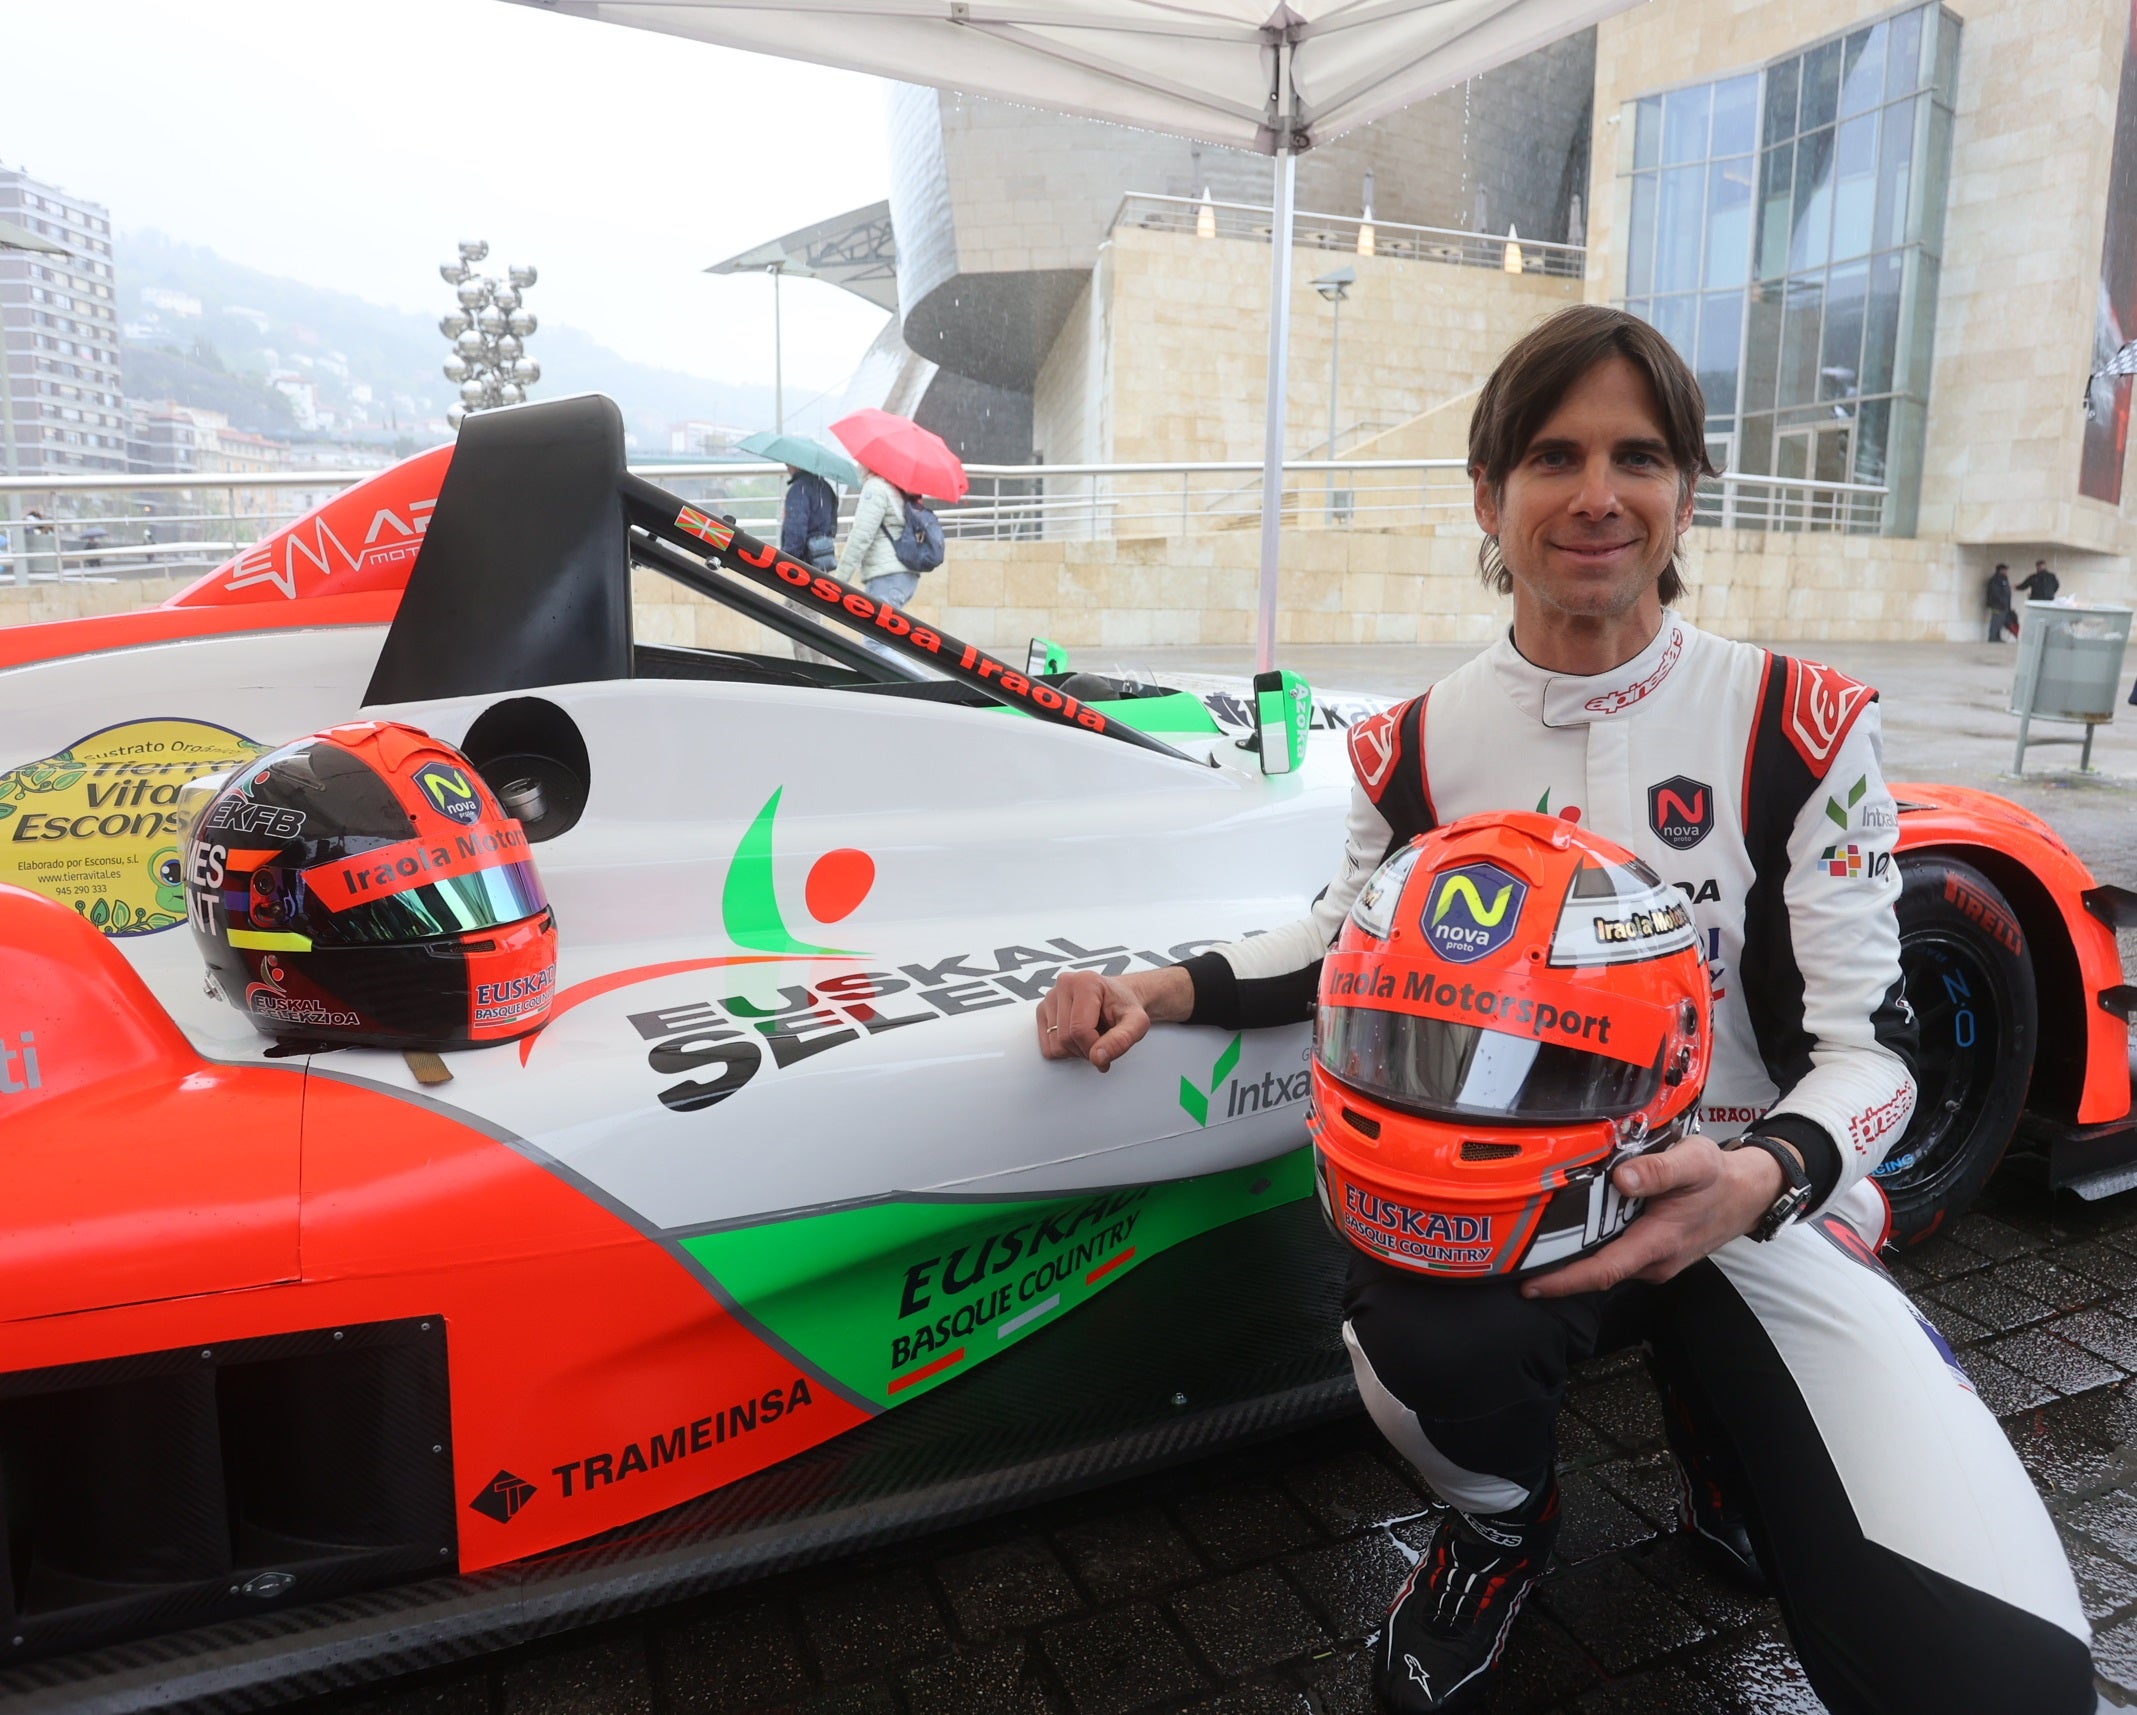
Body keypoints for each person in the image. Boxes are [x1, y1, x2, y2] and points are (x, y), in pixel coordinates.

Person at [1035, 305, 2092, 1714]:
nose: (1598, 493)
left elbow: (1875, 1051)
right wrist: (1157, 986)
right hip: (1493, 1207)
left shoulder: (1805, 722)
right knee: (1415, 1328)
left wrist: (1764, 1170)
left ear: (1685, 490)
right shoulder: (1410, 745)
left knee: (1995, 1687)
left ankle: (1721, 1437)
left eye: (1637, 455)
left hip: (1747, 1193)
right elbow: (1345, 939)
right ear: (1488, 494)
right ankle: (1496, 1526)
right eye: (1553, 454)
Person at [837, 463, 921, 613]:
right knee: (888, 634)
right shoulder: (897, 489)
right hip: (905, 575)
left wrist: (839, 580)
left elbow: (861, 535)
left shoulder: (875, 488)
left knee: (874, 634)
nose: (858, 466)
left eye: (861, 462)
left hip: (886, 576)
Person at [778, 464, 840, 574]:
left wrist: (786, 561)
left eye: (788, 463)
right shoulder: (826, 487)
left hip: (803, 561)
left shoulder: (798, 490)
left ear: (797, 464)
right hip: (822, 558)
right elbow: (833, 525)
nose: (786, 466)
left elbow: (796, 529)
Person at [1985, 561, 2017, 641]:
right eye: (2005, 570)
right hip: (1997, 605)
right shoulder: (1996, 580)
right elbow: (1996, 593)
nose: (2006, 572)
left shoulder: (2003, 579)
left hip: (2003, 605)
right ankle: (1992, 637)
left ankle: (1997, 637)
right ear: (2000, 570)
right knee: (1996, 621)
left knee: (2000, 622)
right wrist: (2002, 602)